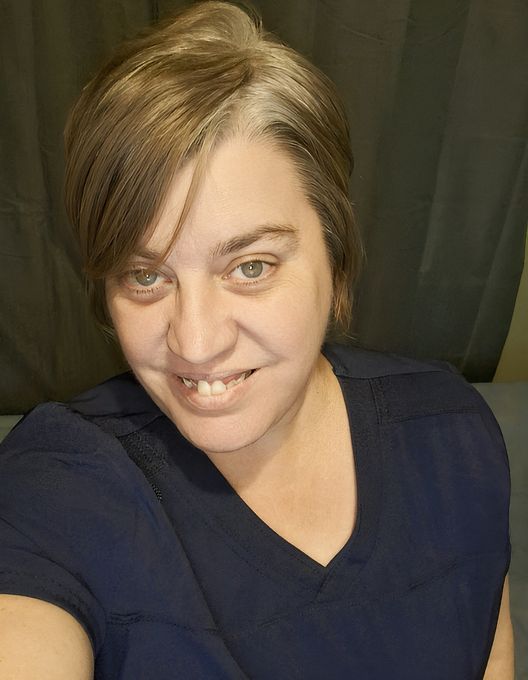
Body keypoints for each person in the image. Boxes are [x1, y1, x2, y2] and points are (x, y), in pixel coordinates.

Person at [0, 2, 513, 678]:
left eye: (250, 266)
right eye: (146, 275)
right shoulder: (61, 480)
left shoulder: (452, 436)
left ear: (335, 258)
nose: (196, 342)